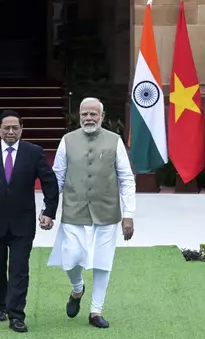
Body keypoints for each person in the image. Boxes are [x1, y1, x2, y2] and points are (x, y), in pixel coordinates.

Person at [43, 97, 136, 329]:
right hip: (74, 210)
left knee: (103, 263)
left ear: (102, 117)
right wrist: (49, 210)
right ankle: (77, 289)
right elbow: (57, 177)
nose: (88, 118)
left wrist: (129, 213)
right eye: (84, 114)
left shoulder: (115, 141)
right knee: (71, 256)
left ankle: (96, 310)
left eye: (93, 114)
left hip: (106, 212)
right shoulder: (67, 141)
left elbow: (126, 178)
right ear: (79, 115)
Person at [0, 109, 59, 333]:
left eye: (15, 127)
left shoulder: (34, 152)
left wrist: (49, 211)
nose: (10, 131)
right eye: (6, 127)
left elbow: (50, 182)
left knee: (19, 269)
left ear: (21, 129)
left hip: (23, 223)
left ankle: (16, 315)